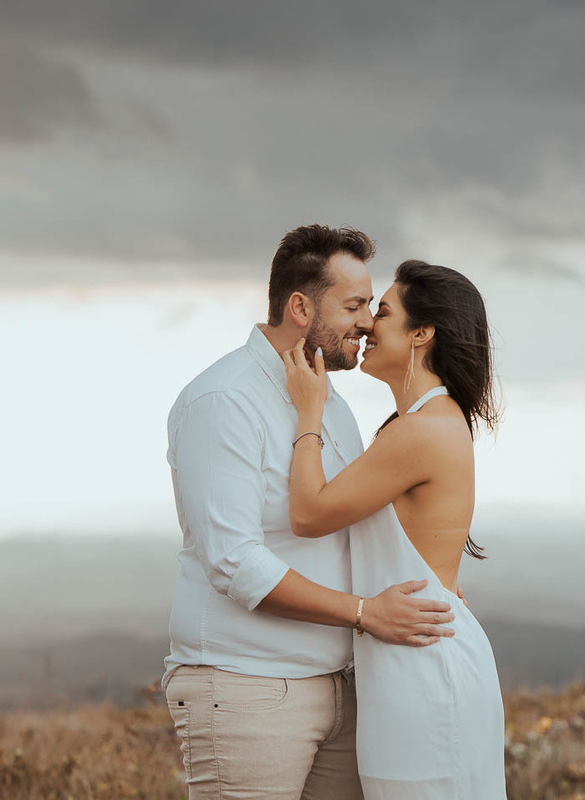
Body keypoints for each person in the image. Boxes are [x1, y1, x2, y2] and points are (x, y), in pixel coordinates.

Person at [162, 225, 463, 800]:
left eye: (372, 307)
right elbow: (234, 563)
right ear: (300, 307)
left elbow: (351, 528)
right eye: (353, 305)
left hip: (344, 691)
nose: (369, 322)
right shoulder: (223, 400)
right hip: (247, 687)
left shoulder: (332, 404)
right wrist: (364, 613)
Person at [282, 258, 506, 799]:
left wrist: (307, 413)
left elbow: (309, 514)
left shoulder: (422, 430)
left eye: (381, 312)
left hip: (423, 669)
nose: (366, 325)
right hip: (408, 659)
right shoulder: (426, 423)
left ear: (421, 333)